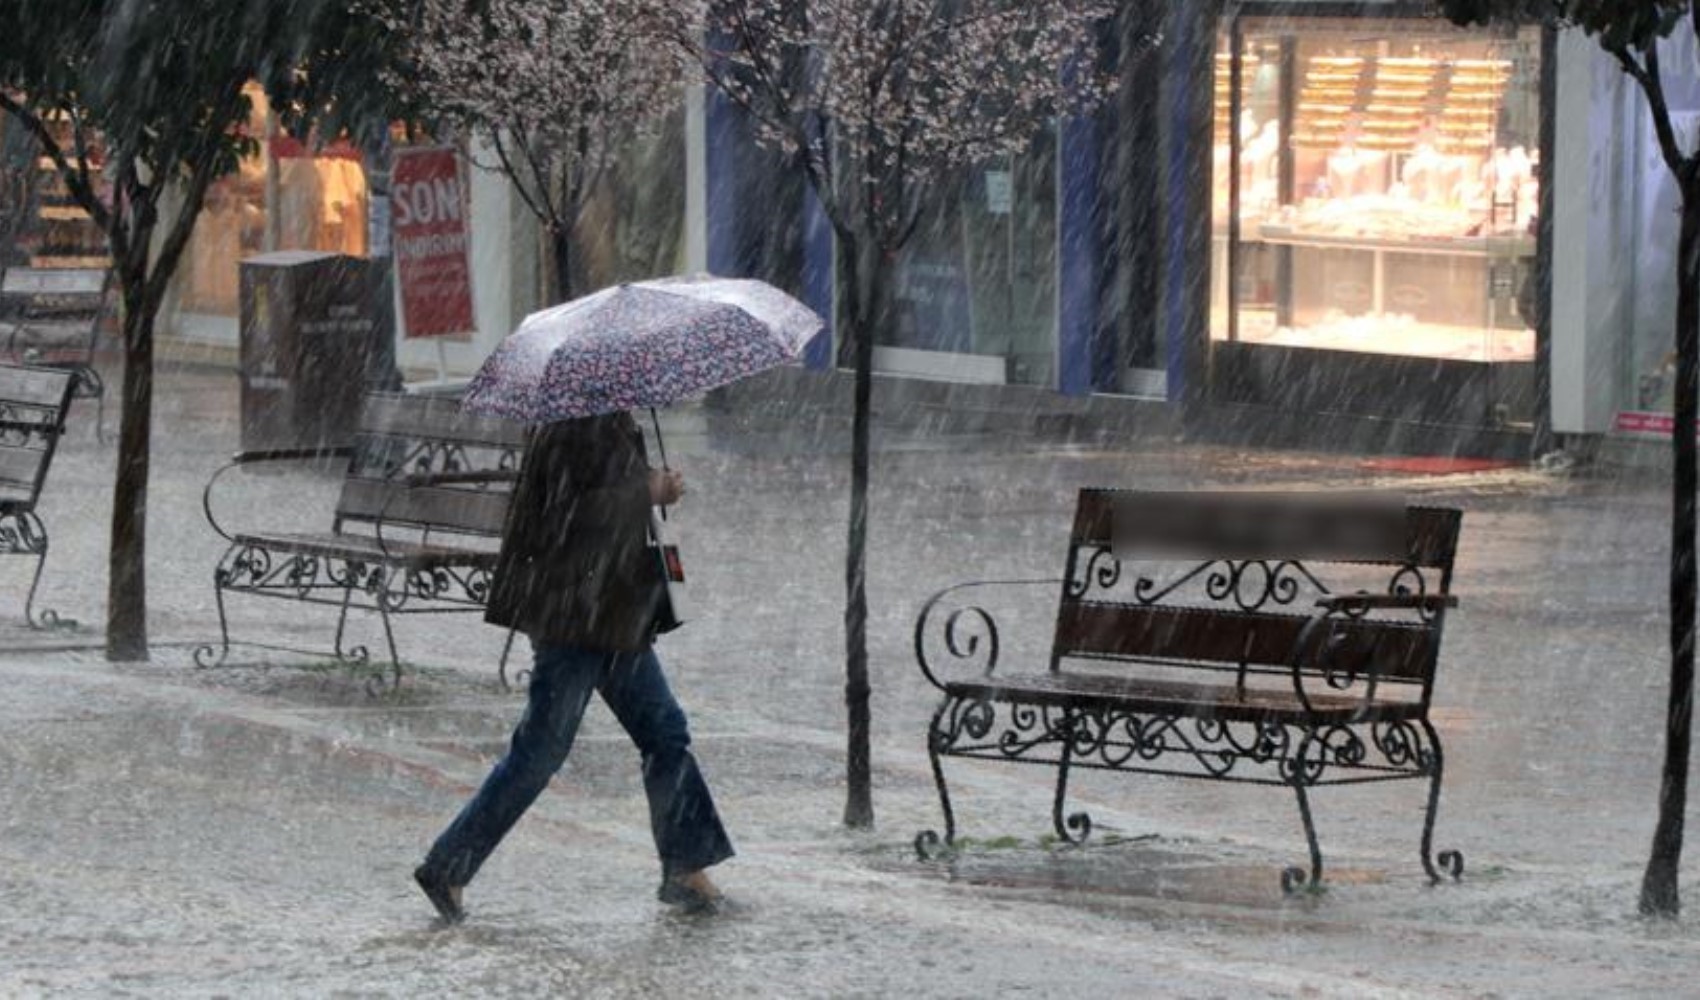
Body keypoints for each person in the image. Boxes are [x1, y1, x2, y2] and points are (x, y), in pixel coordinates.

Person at [413, 410, 734, 923]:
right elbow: (567, 515)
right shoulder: (571, 423)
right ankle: (448, 865)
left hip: (612, 616)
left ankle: (686, 869)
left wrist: (650, 488)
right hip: (574, 618)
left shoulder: (605, 417)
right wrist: (646, 490)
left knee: (665, 733)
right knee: (540, 752)